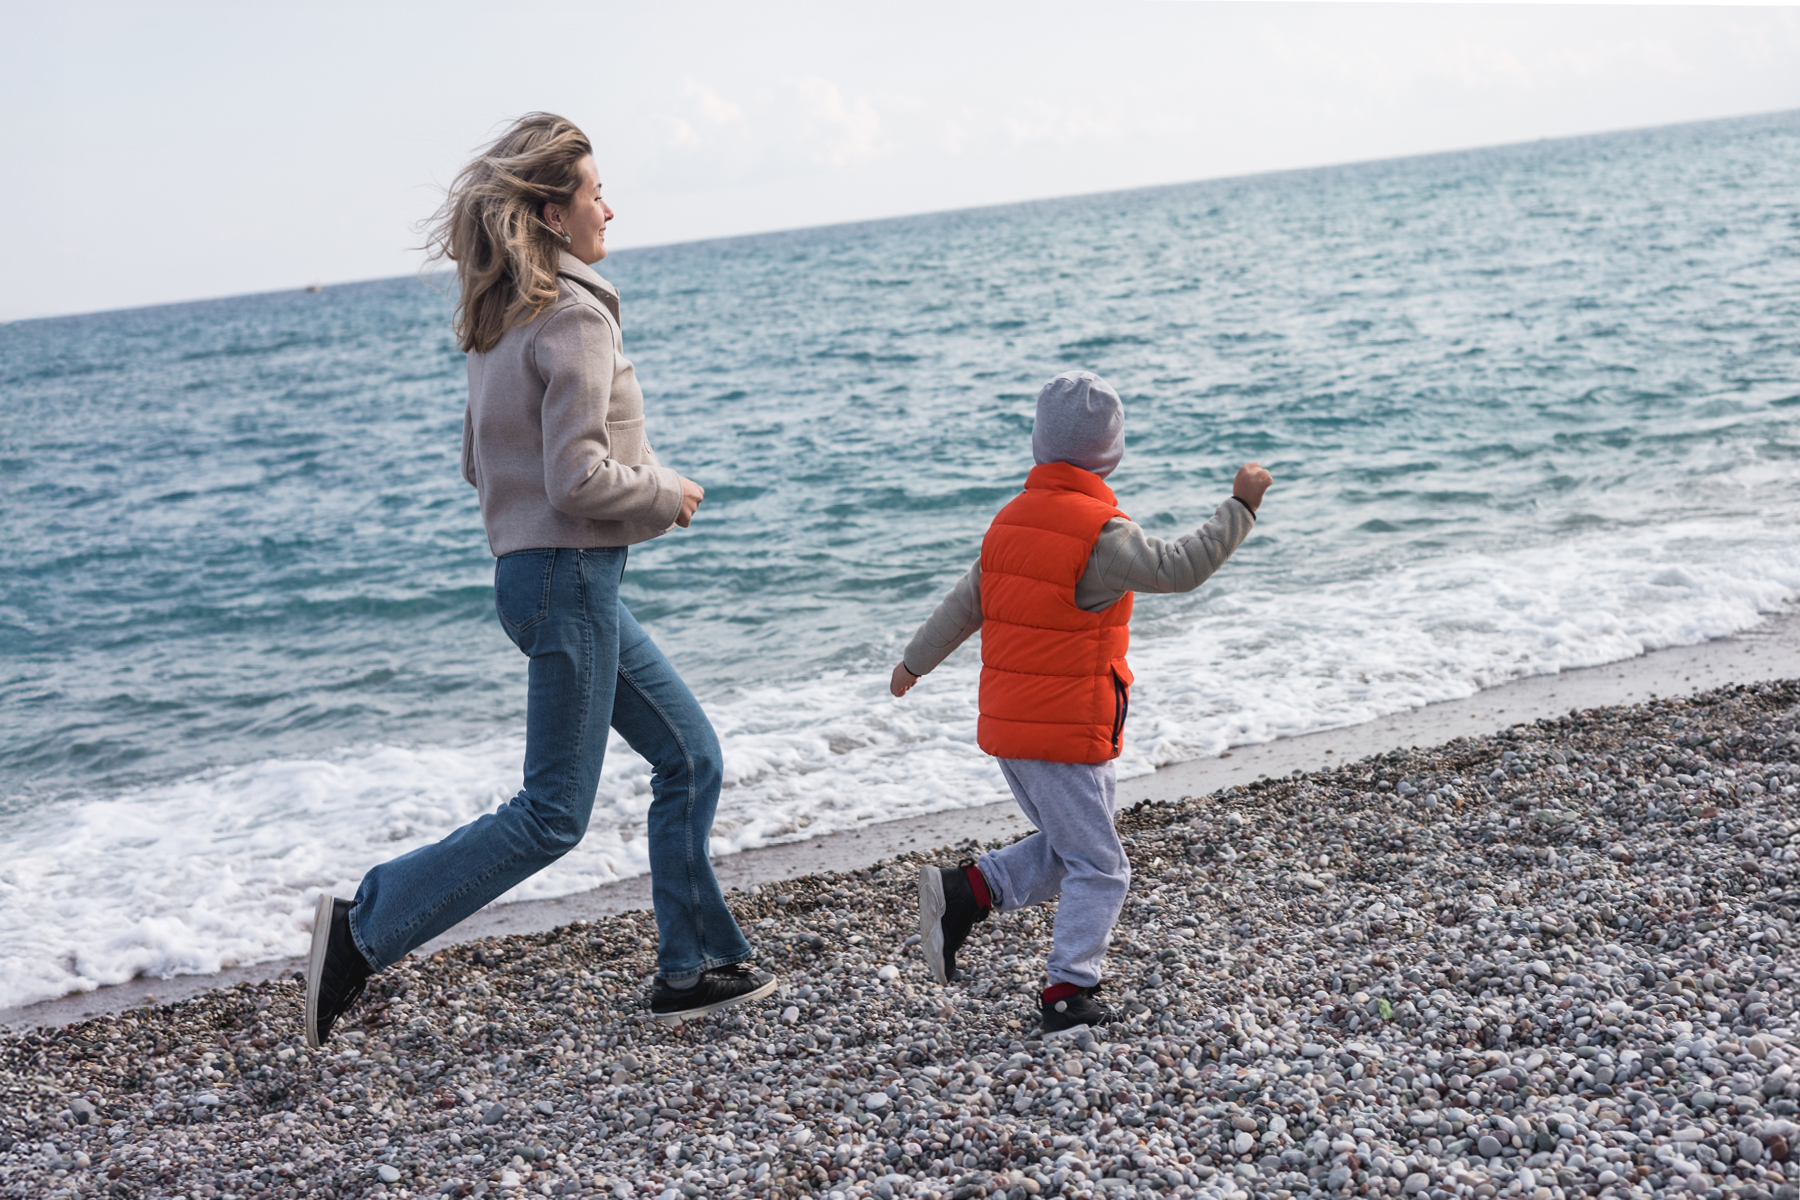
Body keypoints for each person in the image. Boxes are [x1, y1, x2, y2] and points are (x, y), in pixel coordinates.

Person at [304, 113, 776, 1047]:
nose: (610, 208)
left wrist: (558, 513)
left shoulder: (501, 320)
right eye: (596, 193)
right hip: (571, 577)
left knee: (691, 758)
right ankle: (363, 930)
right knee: (553, 814)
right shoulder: (572, 316)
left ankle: (693, 965)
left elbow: (478, 466)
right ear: (555, 215)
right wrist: (664, 492)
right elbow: (576, 479)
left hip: (542, 579)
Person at [889, 371, 1271, 1035]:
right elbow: (1179, 568)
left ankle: (967, 892)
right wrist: (1240, 506)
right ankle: (1068, 991)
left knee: (1075, 848)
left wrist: (912, 664)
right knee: (1102, 867)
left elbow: (963, 606)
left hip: (1011, 730)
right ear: (1111, 455)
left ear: (1039, 444)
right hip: (1065, 732)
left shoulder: (1010, 521)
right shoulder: (1101, 533)